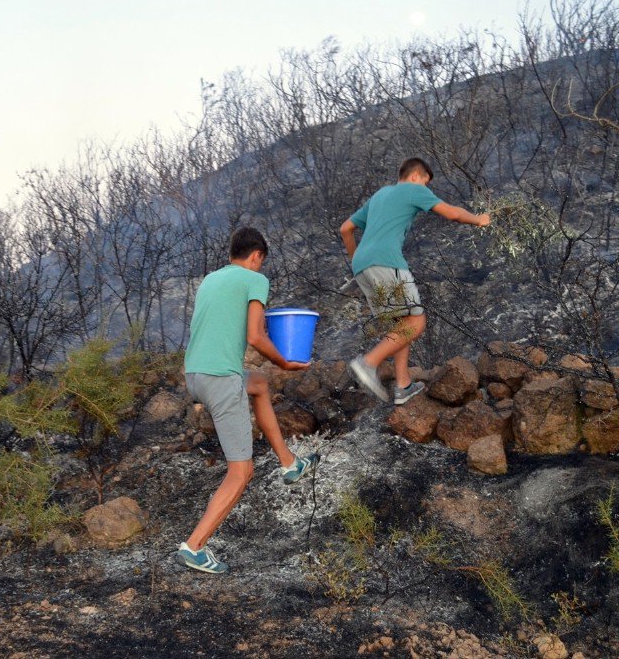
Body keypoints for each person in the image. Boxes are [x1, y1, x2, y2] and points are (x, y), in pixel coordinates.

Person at [177, 227, 320, 574]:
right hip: (219, 380)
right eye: (260, 262)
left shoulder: (211, 280)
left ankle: (289, 462)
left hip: (194, 375)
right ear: (256, 256)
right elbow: (256, 335)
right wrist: (285, 362)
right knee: (242, 471)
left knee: (257, 383)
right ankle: (194, 547)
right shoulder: (254, 280)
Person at [340, 158, 490, 405]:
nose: (426, 188)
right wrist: (478, 219)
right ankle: (367, 363)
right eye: (425, 182)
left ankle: (403, 385)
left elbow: (346, 228)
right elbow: (452, 214)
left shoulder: (380, 195)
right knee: (416, 323)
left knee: (401, 323)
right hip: (387, 262)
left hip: (363, 266)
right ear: (415, 176)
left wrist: (358, 258)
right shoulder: (413, 189)